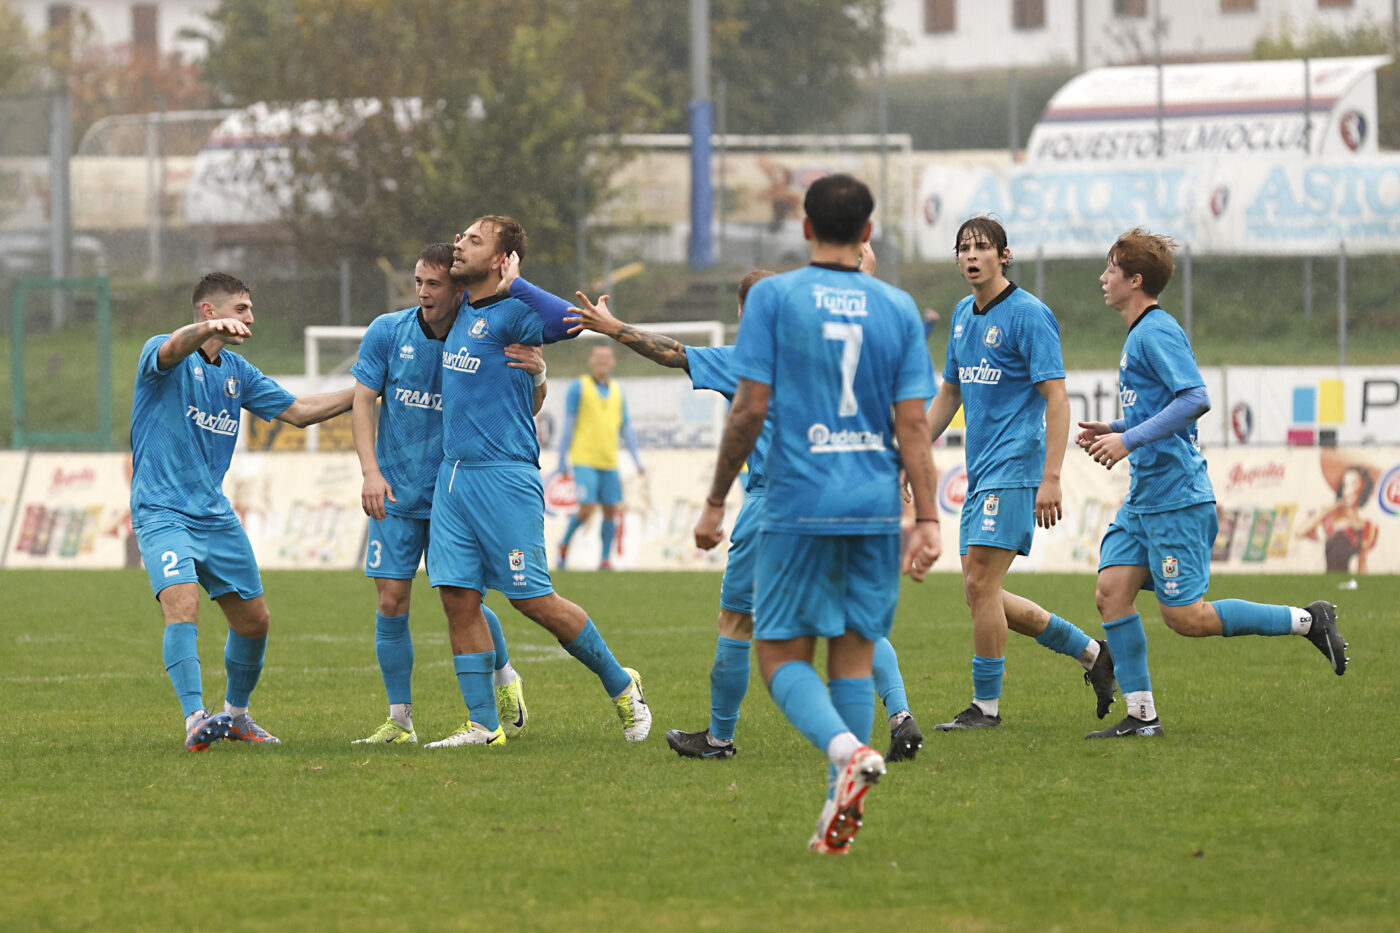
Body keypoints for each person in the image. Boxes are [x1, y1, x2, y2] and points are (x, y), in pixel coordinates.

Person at [567, 248, 926, 764]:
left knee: (736, 623)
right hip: (833, 502)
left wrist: (613, 327)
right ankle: (899, 713)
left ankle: (719, 738)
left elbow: (671, 352)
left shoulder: (745, 360)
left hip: (772, 505)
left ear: (743, 314)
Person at [694, 174, 942, 854]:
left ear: (804, 228)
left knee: (778, 653)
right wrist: (927, 518)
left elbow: (749, 408)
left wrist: (715, 499)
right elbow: (913, 426)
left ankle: (845, 752)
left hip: (798, 501)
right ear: (867, 233)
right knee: (853, 655)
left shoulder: (774, 297)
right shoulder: (898, 308)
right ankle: (841, 806)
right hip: (873, 505)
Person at [1076, 227, 1348, 739]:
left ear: (1135, 280)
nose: (1102, 277)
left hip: (1176, 497)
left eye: (1111, 269)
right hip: (1144, 498)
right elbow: (1161, 408)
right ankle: (1142, 716)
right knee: (1111, 591)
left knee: (1187, 618)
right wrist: (1114, 427)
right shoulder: (1139, 333)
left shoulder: (1154, 332)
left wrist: (1128, 439)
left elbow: (1195, 398)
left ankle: (1310, 620)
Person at [424, 214, 650, 748]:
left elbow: (570, 321)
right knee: (457, 597)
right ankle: (484, 725)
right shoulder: (459, 307)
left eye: (474, 240)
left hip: (505, 476)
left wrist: (518, 285)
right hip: (453, 477)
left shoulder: (514, 311)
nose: (460, 243)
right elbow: (427, 290)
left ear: (501, 260)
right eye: (461, 236)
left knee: (533, 600)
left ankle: (622, 685)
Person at [131, 272, 354, 751]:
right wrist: (205, 332)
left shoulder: (238, 372)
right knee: (182, 603)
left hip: (214, 515)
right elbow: (173, 347)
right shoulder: (163, 354)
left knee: (255, 621)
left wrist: (367, 390)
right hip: (162, 510)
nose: (250, 317)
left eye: (250, 309)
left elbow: (299, 411)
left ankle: (235, 717)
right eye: (241, 309)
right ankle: (195, 718)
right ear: (209, 311)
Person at [926, 216, 1116, 731]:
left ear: (1004, 256)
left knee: (980, 583)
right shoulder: (962, 315)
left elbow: (1057, 399)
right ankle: (1093, 654)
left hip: (1016, 468)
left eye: (982, 247)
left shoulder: (1030, 315)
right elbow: (950, 393)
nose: (971, 255)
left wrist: (1051, 477)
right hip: (981, 471)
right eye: (964, 248)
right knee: (980, 592)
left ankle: (985, 707)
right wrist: (913, 451)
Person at [349, 243, 542, 745]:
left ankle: (504, 678)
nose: (422, 292)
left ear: (460, 290)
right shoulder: (387, 331)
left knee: (462, 599)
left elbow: (529, 400)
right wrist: (370, 472)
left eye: (433, 284)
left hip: (454, 494)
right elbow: (362, 401)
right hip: (394, 490)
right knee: (391, 600)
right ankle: (399, 721)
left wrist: (539, 372)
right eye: (418, 282)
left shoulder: (480, 335)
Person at [555, 344, 645, 570]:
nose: (603, 362)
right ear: (591, 361)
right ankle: (564, 544)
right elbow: (568, 423)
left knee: (610, 510)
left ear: (613, 362)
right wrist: (561, 457)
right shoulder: (579, 387)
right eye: (599, 357)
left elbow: (626, 427)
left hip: (609, 460)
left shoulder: (617, 391)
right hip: (584, 458)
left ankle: (605, 559)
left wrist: (637, 459)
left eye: (607, 358)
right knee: (587, 507)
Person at [1295, 452, 1379, 574]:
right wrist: (1328, 509)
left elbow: (1362, 564)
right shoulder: (1331, 518)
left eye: (1353, 484)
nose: (1348, 490)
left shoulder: (1367, 527)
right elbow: (1299, 532)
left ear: (1363, 487)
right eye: (1346, 484)